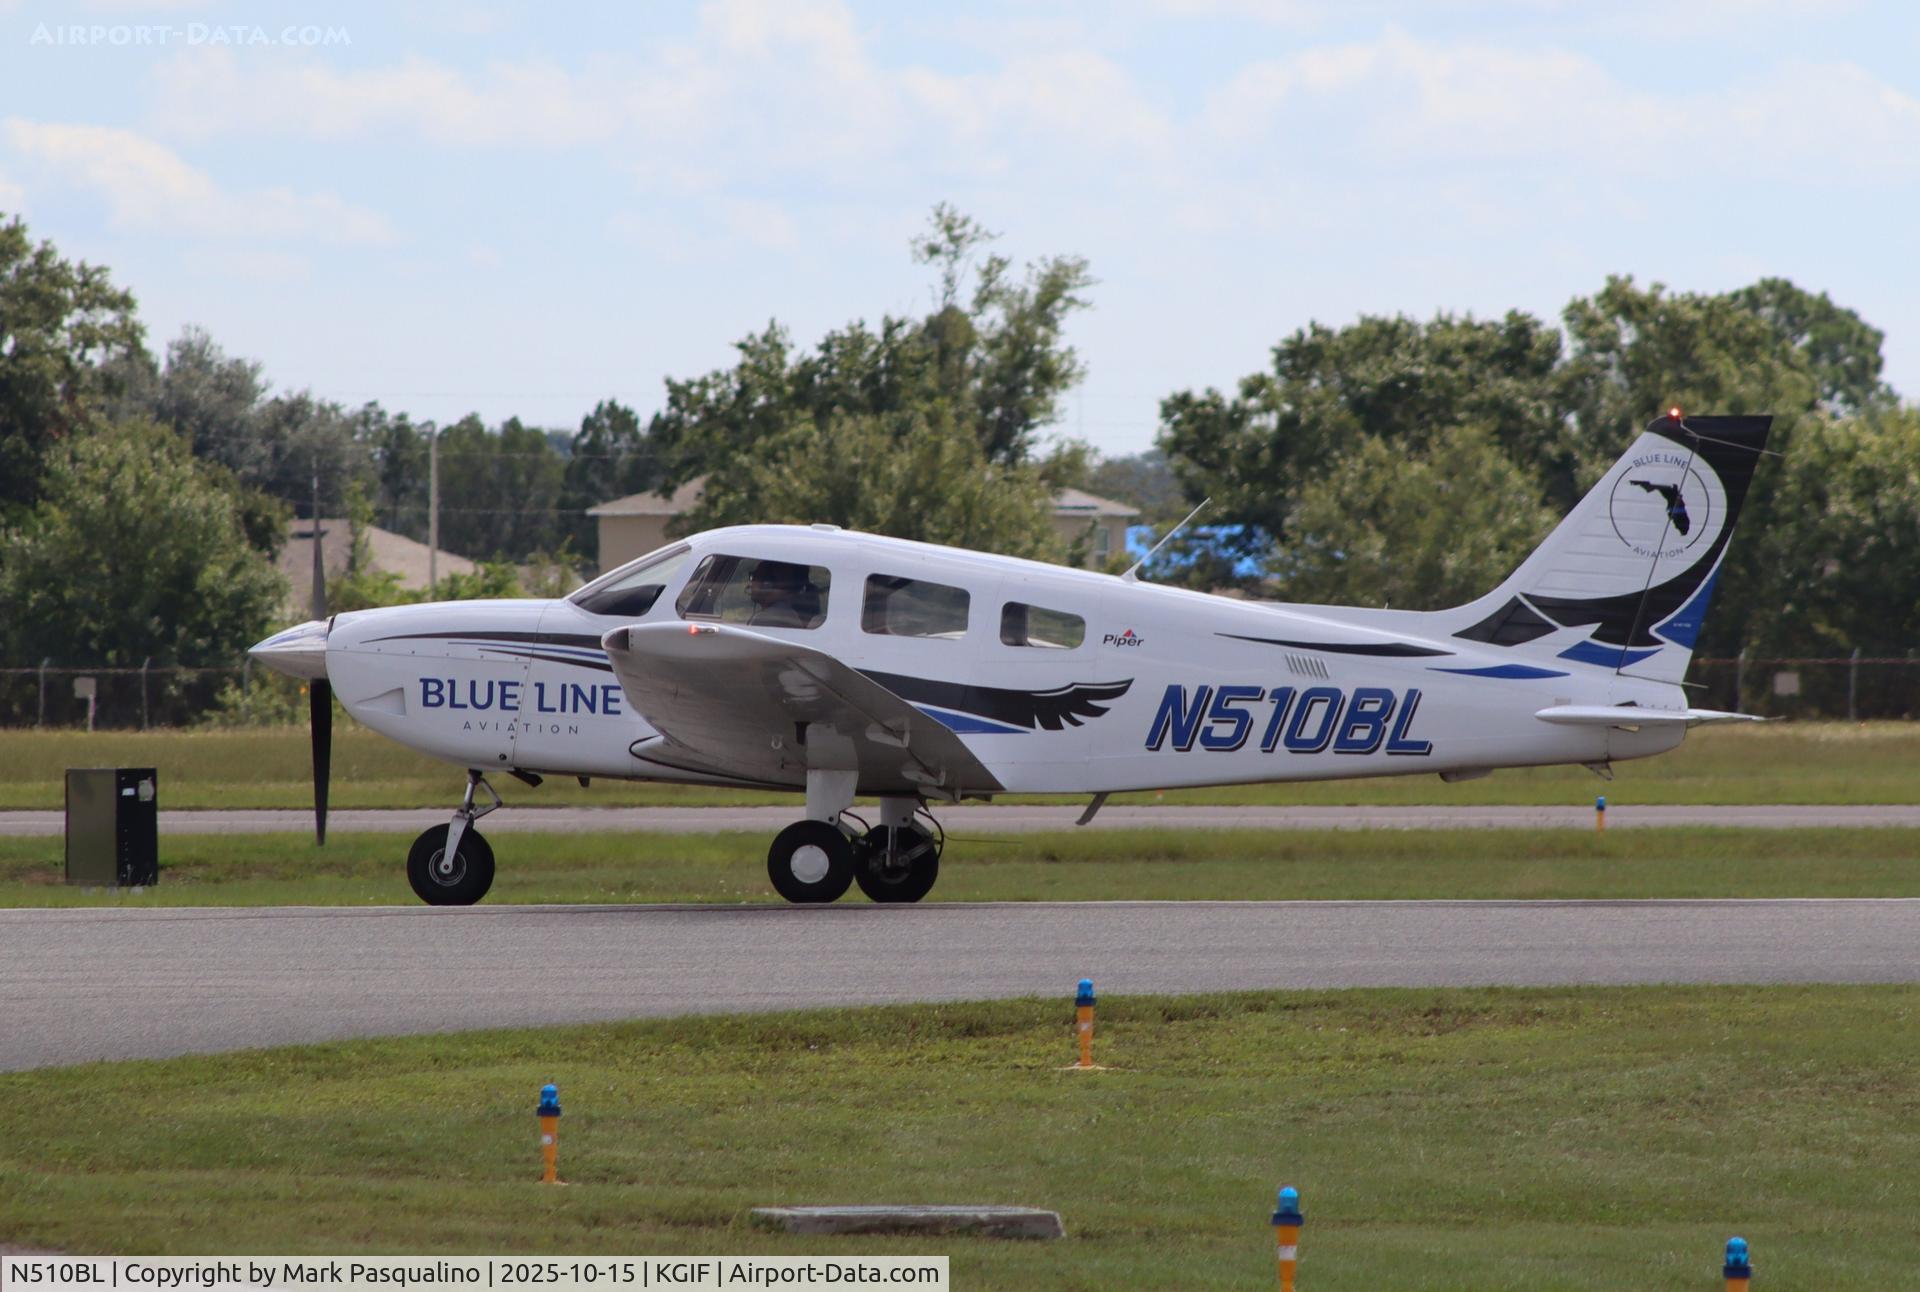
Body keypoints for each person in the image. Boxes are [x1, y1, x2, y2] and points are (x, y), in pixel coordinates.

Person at [744, 560, 821, 628]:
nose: (751, 583)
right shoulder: (788, 615)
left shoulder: (768, 618)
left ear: (767, 584)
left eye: (754, 576)